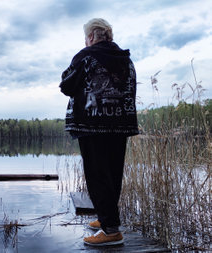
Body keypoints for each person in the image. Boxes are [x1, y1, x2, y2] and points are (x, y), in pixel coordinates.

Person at [59, 18, 139, 246]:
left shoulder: (85, 56)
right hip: (120, 125)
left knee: (97, 176)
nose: (85, 41)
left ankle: (111, 231)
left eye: (86, 37)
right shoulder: (126, 59)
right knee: (113, 175)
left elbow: (66, 85)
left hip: (92, 125)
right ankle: (107, 219)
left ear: (92, 36)